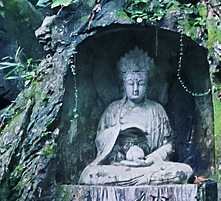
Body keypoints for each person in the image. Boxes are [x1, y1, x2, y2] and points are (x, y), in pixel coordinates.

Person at [81, 48, 194, 185]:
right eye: (130, 83)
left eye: (140, 84)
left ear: (147, 85)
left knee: (184, 171)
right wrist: (117, 133)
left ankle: (134, 180)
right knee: (90, 175)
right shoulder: (113, 111)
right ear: (123, 84)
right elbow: (100, 141)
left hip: (150, 168)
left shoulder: (156, 110)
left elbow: (169, 145)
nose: (135, 88)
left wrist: (150, 159)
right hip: (118, 169)